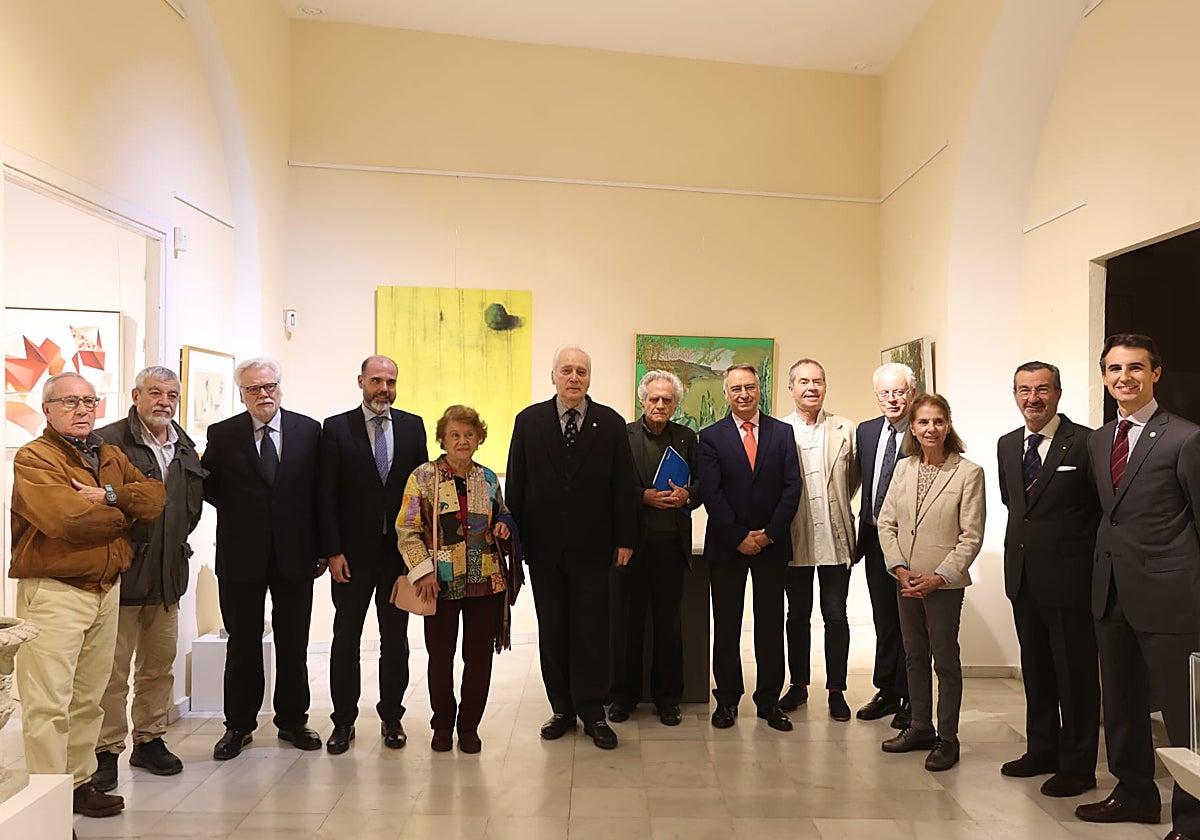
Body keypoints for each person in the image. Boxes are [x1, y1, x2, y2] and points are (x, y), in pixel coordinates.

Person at [10, 372, 165, 821]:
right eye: (70, 402)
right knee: (48, 704)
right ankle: (48, 807)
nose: (82, 410)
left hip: (105, 589)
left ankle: (79, 784)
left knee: (88, 699)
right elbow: (68, 521)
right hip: (56, 591)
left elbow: (155, 498)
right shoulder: (35, 458)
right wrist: (125, 515)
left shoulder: (109, 453)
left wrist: (108, 496)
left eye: (89, 401)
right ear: (47, 409)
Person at [1076, 334, 1200, 840]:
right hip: (1111, 593)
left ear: (1155, 373)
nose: (1123, 377)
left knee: (1184, 716)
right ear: (1104, 377)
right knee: (1122, 706)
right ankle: (1133, 795)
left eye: (1134, 368)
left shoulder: (1185, 438)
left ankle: (1193, 819)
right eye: (1114, 369)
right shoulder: (1100, 440)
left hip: (1171, 597)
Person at [506, 346, 638, 750]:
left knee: (591, 632)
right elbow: (516, 485)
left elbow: (623, 486)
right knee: (553, 631)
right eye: (566, 370)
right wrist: (516, 544)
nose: (574, 377)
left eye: (581, 371)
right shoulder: (528, 422)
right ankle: (561, 708)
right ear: (554, 376)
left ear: (589, 377)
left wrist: (625, 539)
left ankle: (592, 711)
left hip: (594, 550)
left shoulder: (610, 423)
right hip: (543, 550)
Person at [201, 358, 325, 760]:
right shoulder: (223, 434)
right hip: (241, 555)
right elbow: (210, 487)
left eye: (269, 386)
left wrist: (323, 547)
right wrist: (246, 513)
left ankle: (292, 721)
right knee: (242, 643)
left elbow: (320, 493)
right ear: (242, 394)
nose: (263, 394)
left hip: (296, 554)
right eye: (253, 389)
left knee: (294, 641)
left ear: (280, 387)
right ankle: (238, 726)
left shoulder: (309, 431)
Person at [92, 366, 205, 791]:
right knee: (112, 671)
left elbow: (190, 509)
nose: (164, 401)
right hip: (122, 574)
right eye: (155, 392)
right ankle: (105, 750)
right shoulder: (107, 442)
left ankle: (149, 739)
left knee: (158, 666)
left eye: (172, 395)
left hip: (168, 574)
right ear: (135, 395)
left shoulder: (184, 446)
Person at [997, 361, 1100, 797]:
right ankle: (1042, 749)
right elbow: (1015, 505)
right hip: (1023, 578)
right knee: (1036, 670)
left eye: (1042, 389)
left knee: (1075, 676)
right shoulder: (1008, 445)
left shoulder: (1087, 443)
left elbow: (1100, 508)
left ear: (1058, 393)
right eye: (1024, 390)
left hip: (1070, 580)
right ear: (1015, 395)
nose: (1032, 398)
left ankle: (1077, 766)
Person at [318, 355, 427, 754]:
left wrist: (419, 555)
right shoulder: (336, 428)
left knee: (395, 639)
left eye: (391, 381)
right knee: (346, 637)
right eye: (377, 380)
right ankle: (343, 720)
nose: (384, 388)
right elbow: (325, 494)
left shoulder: (413, 426)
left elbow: (422, 492)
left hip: (398, 556)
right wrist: (332, 551)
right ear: (361, 381)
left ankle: (391, 716)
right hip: (351, 556)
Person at [878, 392, 985, 772]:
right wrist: (898, 568)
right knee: (913, 656)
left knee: (946, 661)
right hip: (906, 580)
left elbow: (971, 536)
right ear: (912, 427)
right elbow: (886, 523)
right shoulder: (903, 469)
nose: (931, 428)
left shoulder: (968, 473)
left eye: (938, 421)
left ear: (948, 425)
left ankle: (948, 739)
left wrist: (939, 577)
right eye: (923, 422)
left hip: (943, 586)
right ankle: (920, 726)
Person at [397, 405, 511, 753]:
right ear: (443, 439)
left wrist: (503, 526)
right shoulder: (423, 477)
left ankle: (469, 726)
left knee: (479, 659)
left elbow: (503, 514)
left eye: (469, 435)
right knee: (440, 657)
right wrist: (423, 571)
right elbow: (407, 529)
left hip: (484, 581)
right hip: (439, 583)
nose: (462, 441)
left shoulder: (487, 478)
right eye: (455, 435)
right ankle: (443, 725)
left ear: (479, 438)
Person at [698, 363, 802, 732]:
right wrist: (738, 536)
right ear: (726, 394)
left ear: (760, 390)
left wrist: (769, 533)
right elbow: (712, 492)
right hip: (727, 546)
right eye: (736, 388)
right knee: (726, 625)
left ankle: (769, 701)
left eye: (750, 387)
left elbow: (792, 487)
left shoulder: (782, 433)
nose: (744, 394)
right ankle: (727, 700)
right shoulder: (711, 437)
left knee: (770, 625)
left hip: (772, 545)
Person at [609, 370, 701, 727]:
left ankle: (668, 700)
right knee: (627, 625)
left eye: (667, 400)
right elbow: (612, 485)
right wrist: (642, 496)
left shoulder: (687, 438)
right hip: (631, 546)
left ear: (675, 404)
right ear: (642, 401)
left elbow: (703, 483)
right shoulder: (623, 435)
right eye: (654, 399)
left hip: (671, 547)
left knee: (668, 627)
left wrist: (687, 495)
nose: (660, 404)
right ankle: (623, 698)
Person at [778, 358, 860, 721]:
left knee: (836, 615)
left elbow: (852, 479)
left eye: (818, 381)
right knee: (797, 615)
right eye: (804, 382)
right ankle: (798, 685)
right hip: (794, 536)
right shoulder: (780, 430)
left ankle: (836, 690)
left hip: (834, 536)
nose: (812, 387)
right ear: (791, 388)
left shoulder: (846, 429)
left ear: (825, 386)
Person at [854, 363, 915, 729]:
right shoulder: (866, 431)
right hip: (875, 538)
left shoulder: (923, 429)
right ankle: (887, 690)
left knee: (911, 622)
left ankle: (911, 697)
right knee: (884, 618)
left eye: (898, 392)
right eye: (885, 393)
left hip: (911, 542)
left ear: (912, 393)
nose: (892, 399)